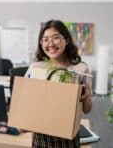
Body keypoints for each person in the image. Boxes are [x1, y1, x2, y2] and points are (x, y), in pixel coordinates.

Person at [25, 19, 92, 148]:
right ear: (41, 43)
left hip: (68, 136)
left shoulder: (81, 69)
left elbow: (87, 110)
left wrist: (87, 94)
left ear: (66, 41)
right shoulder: (35, 67)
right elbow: (26, 102)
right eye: (45, 39)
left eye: (56, 38)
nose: (50, 43)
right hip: (41, 135)